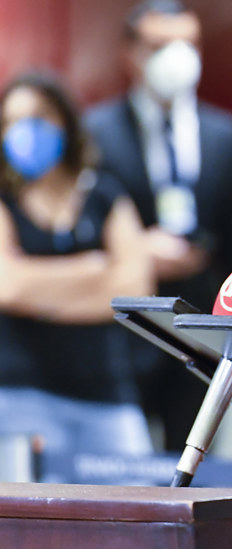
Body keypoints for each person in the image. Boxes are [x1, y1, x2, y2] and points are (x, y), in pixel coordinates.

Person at [85, 0, 232, 450]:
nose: (177, 57)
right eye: (161, 45)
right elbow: (82, 229)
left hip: (199, 334)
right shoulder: (96, 131)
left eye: (187, 44)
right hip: (124, 329)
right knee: (121, 476)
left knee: (193, 471)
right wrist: (136, 249)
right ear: (130, 53)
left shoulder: (223, 133)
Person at [0, 72, 154, 458]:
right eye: (11, 121)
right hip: (23, 392)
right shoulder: (5, 200)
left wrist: (39, 297)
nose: (25, 130)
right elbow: (8, 286)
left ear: (64, 121)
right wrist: (93, 270)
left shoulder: (105, 194)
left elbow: (136, 290)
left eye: (38, 116)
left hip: (106, 392)